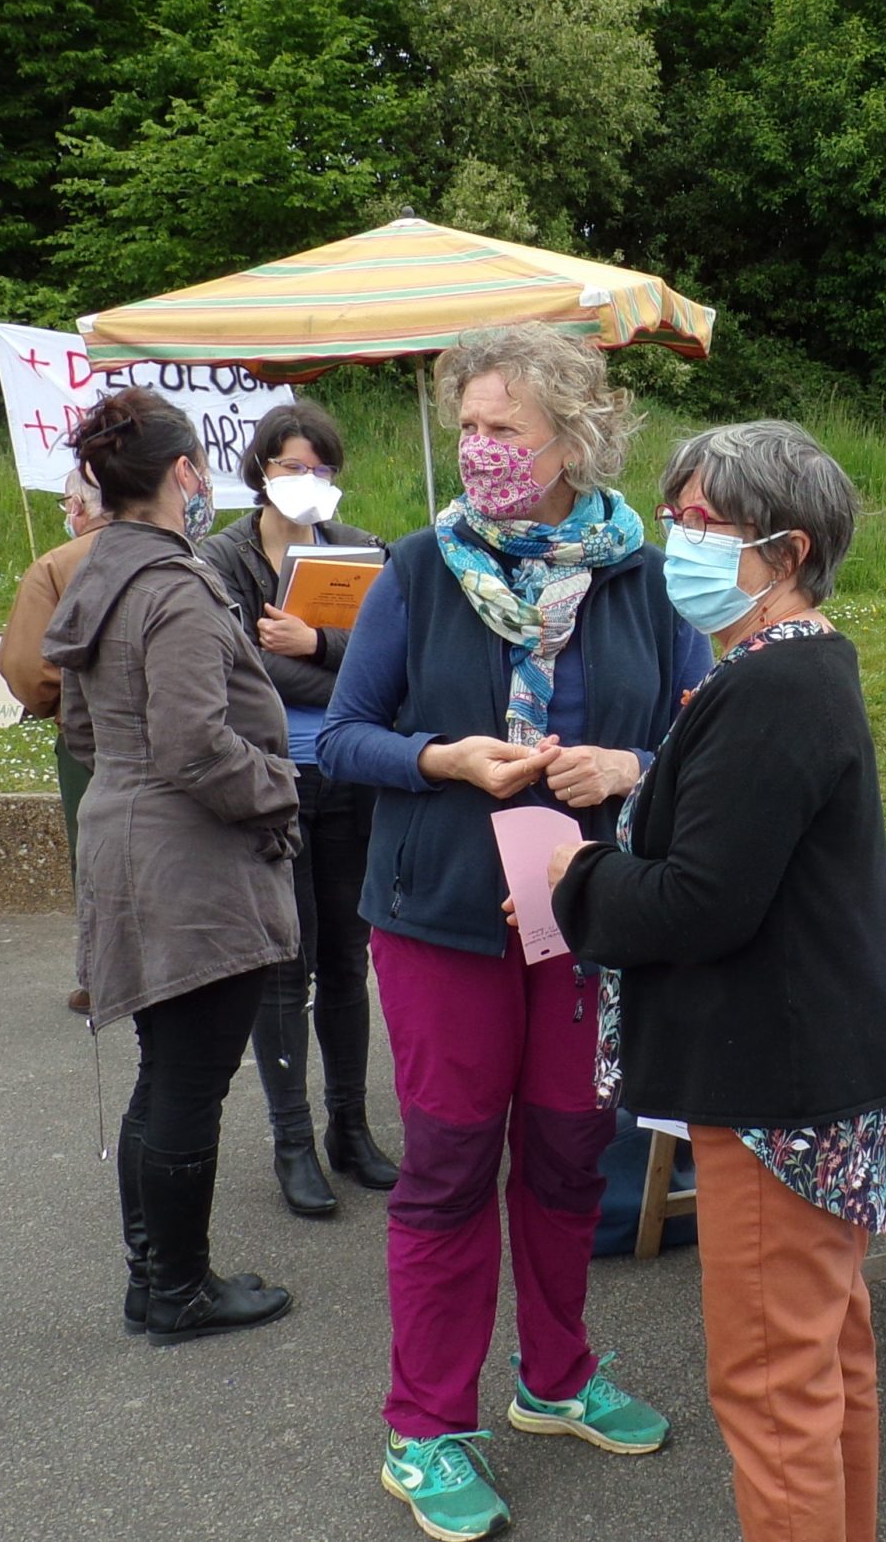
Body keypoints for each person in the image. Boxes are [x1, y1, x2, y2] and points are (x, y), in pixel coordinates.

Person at [320, 324, 707, 1542]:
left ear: (573, 439)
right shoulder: (419, 568)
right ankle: (424, 1425)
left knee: (566, 1153)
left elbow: (705, 737)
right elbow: (338, 734)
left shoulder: (649, 579)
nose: (480, 448)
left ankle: (556, 1375)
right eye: (470, 426)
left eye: (505, 429)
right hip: (440, 920)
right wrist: (443, 757)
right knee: (446, 1166)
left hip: (584, 916)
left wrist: (628, 765)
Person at [554, 421, 886, 1542]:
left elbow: (702, 901)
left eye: (703, 522)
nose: (677, 540)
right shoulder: (791, 667)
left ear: (787, 550)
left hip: (778, 1095)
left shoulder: (772, 684)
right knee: (822, 1363)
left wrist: (579, 877)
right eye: (676, 516)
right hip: (818, 1075)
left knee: (772, 1387)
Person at [40, 386, 303, 1346]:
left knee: (165, 1073)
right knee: (190, 1080)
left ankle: (154, 1280)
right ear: (185, 473)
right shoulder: (175, 586)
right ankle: (181, 1288)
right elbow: (195, 745)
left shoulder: (97, 571)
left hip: (124, 837)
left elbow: (78, 726)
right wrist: (279, 790)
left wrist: (131, 780)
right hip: (189, 859)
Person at [196, 400, 398, 1217]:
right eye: (290, 466)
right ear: (260, 470)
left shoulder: (362, 550)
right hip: (271, 780)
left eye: (320, 468)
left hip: (352, 776)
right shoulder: (221, 559)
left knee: (348, 958)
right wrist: (338, 670)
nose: (306, 480)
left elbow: (391, 660)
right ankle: (293, 1141)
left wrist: (316, 644)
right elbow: (239, 669)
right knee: (287, 964)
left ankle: (352, 1127)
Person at [0, 466, 111, 1016]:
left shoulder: (56, 566)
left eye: (67, 503)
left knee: (93, 857)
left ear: (80, 507)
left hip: (88, 738)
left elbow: (26, 666)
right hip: (179, 728)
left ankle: (102, 978)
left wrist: (59, 704)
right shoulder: (184, 555)